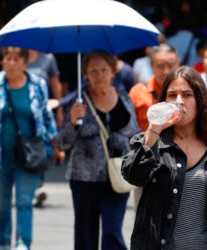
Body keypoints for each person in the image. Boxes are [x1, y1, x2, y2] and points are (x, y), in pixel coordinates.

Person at [122, 66, 207, 250]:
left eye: (187, 95)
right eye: (172, 95)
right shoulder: (151, 142)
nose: (179, 101)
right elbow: (132, 176)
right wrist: (153, 131)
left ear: (200, 100)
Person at [56, 50, 140, 250]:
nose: (99, 75)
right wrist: (73, 122)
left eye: (104, 70)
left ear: (113, 72)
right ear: (85, 73)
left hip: (119, 175)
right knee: (86, 235)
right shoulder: (78, 102)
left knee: (112, 231)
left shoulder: (124, 98)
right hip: (84, 179)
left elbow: (135, 134)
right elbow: (61, 143)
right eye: (93, 70)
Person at [0, 47, 58, 250]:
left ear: (25, 62)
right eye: (8, 59)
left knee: (24, 201)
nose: (12, 63)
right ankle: (3, 243)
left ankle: (23, 244)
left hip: (29, 154)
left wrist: (56, 145)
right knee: (2, 204)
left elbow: (46, 116)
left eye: (16, 59)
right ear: (2, 62)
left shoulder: (37, 84)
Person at [128, 44, 179, 207]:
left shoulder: (186, 93)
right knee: (144, 223)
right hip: (146, 164)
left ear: (178, 63)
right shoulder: (138, 91)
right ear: (151, 66)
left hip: (179, 165)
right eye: (160, 66)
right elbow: (128, 129)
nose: (166, 71)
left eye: (170, 65)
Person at [27, 49, 66, 207]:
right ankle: (29, 186)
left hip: (41, 113)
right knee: (23, 149)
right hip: (21, 113)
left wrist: (60, 108)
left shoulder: (48, 58)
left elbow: (55, 84)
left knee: (40, 148)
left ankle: (38, 184)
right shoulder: (17, 57)